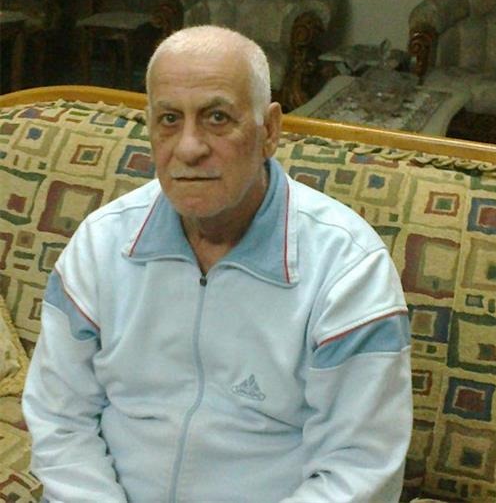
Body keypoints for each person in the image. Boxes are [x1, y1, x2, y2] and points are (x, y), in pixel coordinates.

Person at [23, 25, 413, 503]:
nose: (189, 147)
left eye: (216, 117)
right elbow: (60, 418)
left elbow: (361, 467)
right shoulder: (102, 245)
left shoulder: (347, 268)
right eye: (169, 119)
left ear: (269, 130)